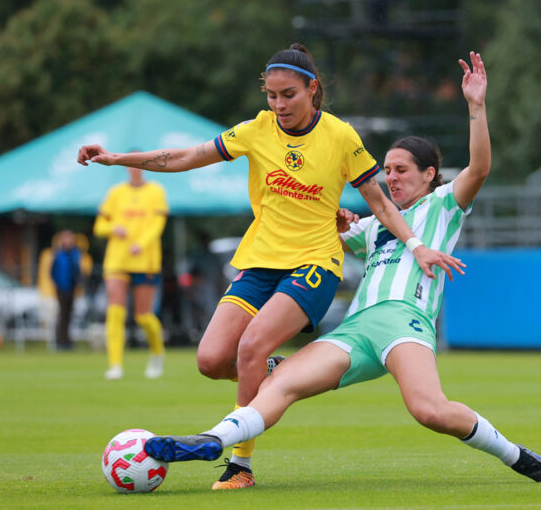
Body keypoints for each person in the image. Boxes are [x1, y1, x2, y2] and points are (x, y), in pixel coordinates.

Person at [143, 52, 541, 485]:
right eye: (386, 171)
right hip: (356, 330)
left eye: (401, 170)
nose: (392, 178)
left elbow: (479, 168)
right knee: (282, 384)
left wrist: (476, 107)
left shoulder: (443, 206)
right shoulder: (372, 225)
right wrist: (337, 219)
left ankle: (518, 457)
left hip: (404, 324)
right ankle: (213, 442)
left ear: (430, 175)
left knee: (429, 410)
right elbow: (315, 229)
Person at [77, 43, 461, 488]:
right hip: (259, 262)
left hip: (315, 263)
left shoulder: (341, 137)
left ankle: (240, 465)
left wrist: (416, 245)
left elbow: (379, 202)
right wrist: (116, 158)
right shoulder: (256, 130)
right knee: (211, 359)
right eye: (272, 95)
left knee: (250, 347)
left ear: (312, 89)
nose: (279, 105)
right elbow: (186, 156)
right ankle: (280, 369)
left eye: (288, 95)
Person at [93, 166, 168, 380]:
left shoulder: (156, 191)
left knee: (143, 316)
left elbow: (158, 224)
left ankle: (157, 353)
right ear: (127, 168)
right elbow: (99, 226)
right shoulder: (116, 192)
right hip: (117, 260)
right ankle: (115, 364)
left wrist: (141, 244)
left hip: (145, 261)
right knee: (115, 311)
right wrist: (113, 227)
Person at [50, 230, 82, 350]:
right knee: (62, 314)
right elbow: (53, 272)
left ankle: (67, 340)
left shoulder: (75, 253)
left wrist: (78, 281)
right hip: (62, 288)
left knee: (69, 314)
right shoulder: (58, 254)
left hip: (72, 288)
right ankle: (60, 340)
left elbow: (77, 270)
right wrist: (58, 284)